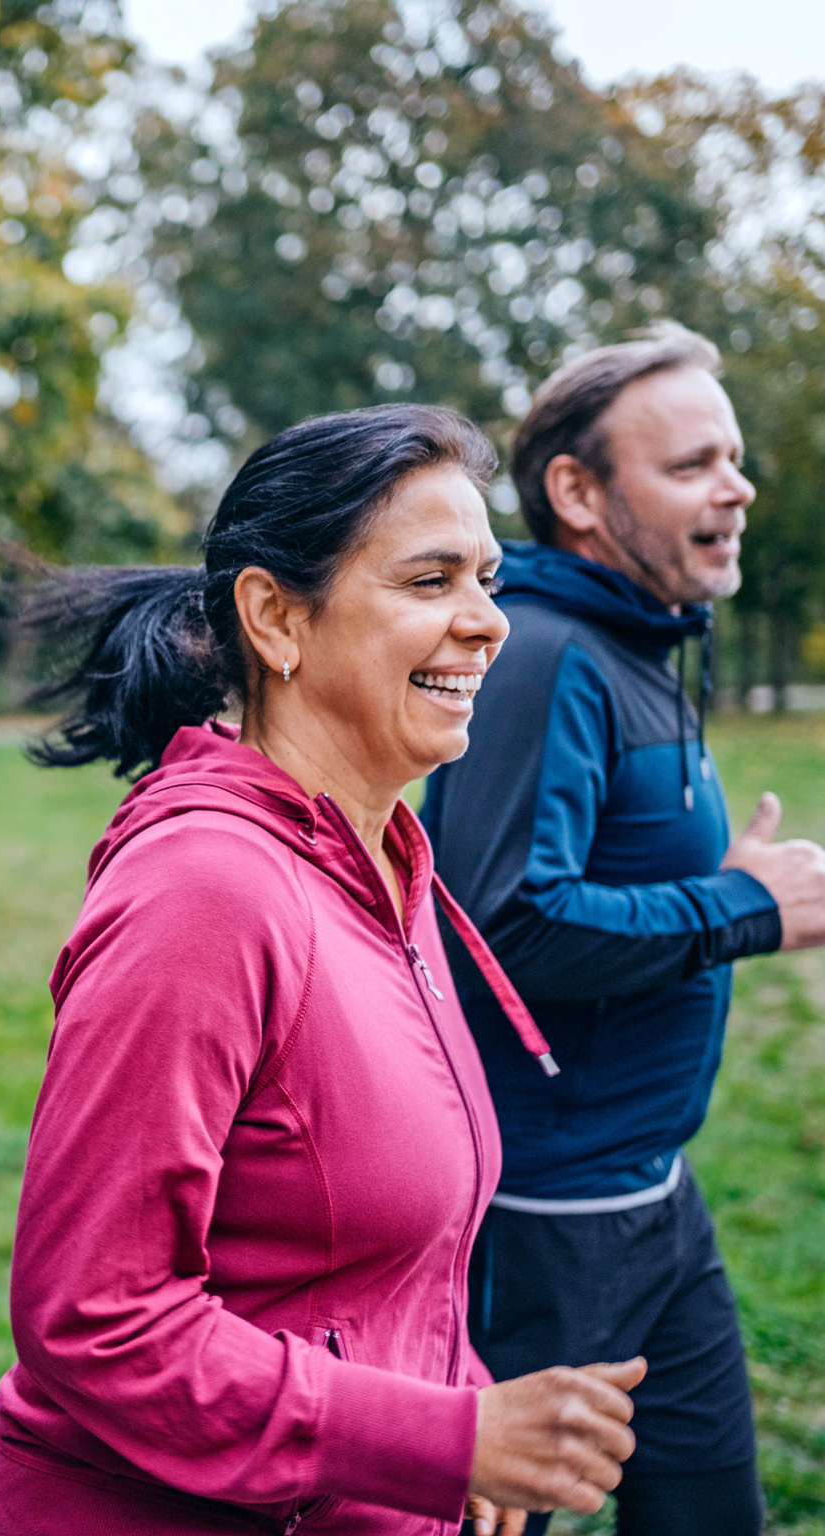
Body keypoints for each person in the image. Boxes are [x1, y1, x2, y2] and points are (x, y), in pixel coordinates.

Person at [0, 405, 646, 1536]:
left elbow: (366, 1271)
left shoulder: (390, 862)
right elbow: (96, 1316)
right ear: (277, 619)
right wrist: (441, 1441)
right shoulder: (207, 893)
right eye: (431, 580)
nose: (487, 623)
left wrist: (461, 1404)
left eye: (485, 579)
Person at [423, 323, 825, 1535]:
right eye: (694, 463)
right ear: (578, 494)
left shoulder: (644, 647)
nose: (737, 486)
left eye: (735, 457)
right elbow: (500, 931)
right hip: (547, 1221)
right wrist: (743, 905)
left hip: (658, 1195)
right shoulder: (546, 655)